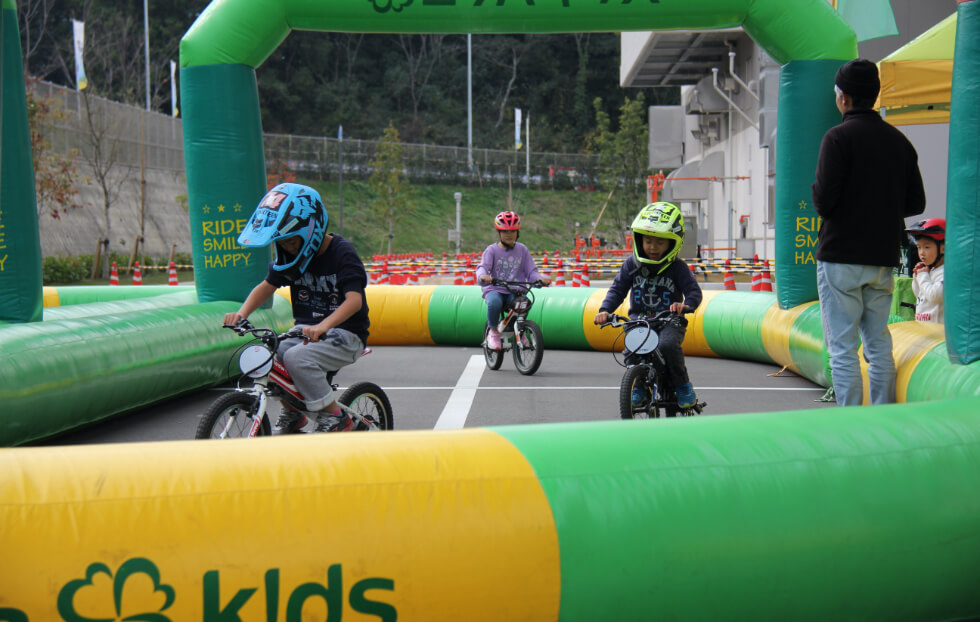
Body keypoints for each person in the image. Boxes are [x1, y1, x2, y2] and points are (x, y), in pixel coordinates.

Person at [812, 59, 926, 407]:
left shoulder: (836, 138)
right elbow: (916, 202)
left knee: (843, 348)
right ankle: (882, 418)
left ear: (843, 97)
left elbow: (824, 201)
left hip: (840, 258)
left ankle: (851, 422)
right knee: (878, 344)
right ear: (874, 97)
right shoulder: (899, 142)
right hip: (881, 258)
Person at [223, 182, 370, 434]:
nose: (288, 248)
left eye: (291, 241)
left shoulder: (341, 253)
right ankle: (294, 412)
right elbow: (267, 286)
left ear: (311, 230)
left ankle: (336, 416)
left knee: (295, 357)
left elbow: (354, 300)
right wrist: (241, 313)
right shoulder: (290, 259)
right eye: (283, 243)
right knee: (275, 351)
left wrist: (323, 325)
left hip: (346, 334)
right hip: (307, 331)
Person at [593, 202, 702, 409]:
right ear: (638, 240)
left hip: (669, 322)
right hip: (640, 321)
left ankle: (683, 385)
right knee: (633, 350)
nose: (653, 247)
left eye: (660, 242)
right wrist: (605, 310)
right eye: (648, 241)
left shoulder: (677, 267)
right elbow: (617, 290)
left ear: (672, 243)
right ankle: (639, 385)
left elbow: (694, 292)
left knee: (667, 346)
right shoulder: (631, 265)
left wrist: (686, 305)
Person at [476, 210, 551, 350]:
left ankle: (519, 329)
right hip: (495, 288)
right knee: (494, 302)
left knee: (524, 302)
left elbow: (531, 271)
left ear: (518, 232)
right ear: (498, 233)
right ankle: (493, 331)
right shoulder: (491, 250)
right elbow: (482, 267)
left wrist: (540, 279)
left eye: (512, 231)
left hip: (515, 290)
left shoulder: (522, 250)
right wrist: (483, 276)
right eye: (505, 232)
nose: (509, 235)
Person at [906, 218, 945, 323]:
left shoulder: (946, 272)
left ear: (943, 248)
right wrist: (917, 276)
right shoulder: (931, 270)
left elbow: (934, 296)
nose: (921, 253)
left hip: (938, 334)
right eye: (919, 247)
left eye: (927, 247)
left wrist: (923, 276)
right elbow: (920, 296)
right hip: (924, 329)